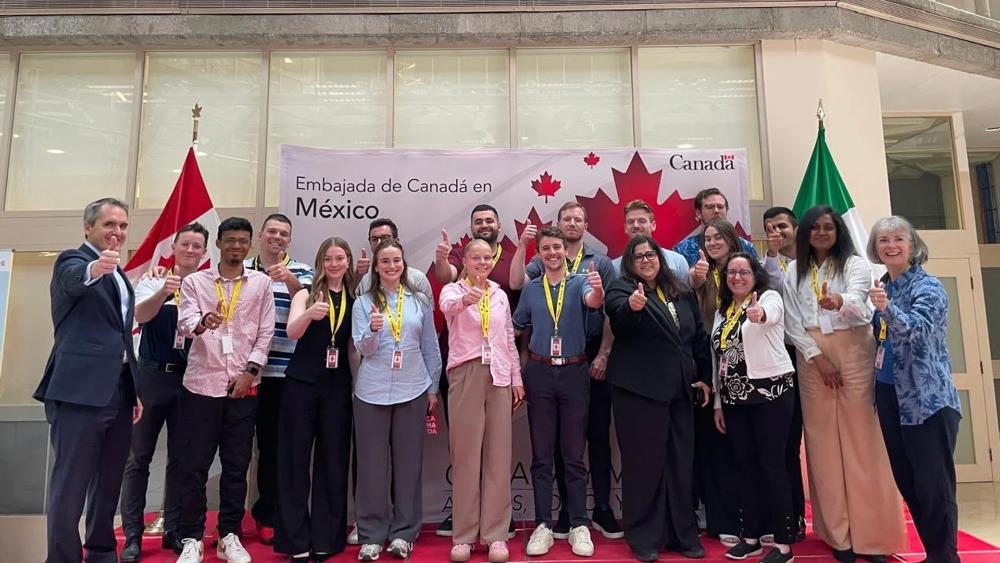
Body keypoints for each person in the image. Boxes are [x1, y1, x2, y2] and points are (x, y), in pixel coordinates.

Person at [783, 206, 906, 562]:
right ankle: (838, 535)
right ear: (804, 233)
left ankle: (873, 535)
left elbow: (862, 306)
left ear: (838, 231)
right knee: (822, 445)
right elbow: (792, 323)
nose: (821, 233)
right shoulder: (794, 270)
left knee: (864, 442)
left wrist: (839, 302)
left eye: (828, 227)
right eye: (815, 228)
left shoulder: (854, 264)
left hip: (854, 349)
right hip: (811, 357)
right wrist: (816, 357)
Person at [36, 197, 143, 563]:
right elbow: (72, 281)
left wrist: (135, 390)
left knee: (109, 481)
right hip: (79, 393)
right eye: (109, 224)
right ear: (88, 228)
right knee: (70, 487)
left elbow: (123, 335)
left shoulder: (121, 275)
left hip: (119, 391)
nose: (117, 232)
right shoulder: (74, 261)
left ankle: (100, 553)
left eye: (123, 226)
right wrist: (96, 268)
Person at [511, 202, 621, 541]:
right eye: (546, 248)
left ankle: (579, 524)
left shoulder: (581, 281)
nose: (553, 253)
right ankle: (544, 524)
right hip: (541, 374)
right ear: (540, 254)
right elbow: (514, 329)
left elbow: (593, 302)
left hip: (575, 373)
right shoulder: (531, 288)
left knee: (574, 455)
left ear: (565, 250)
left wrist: (599, 290)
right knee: (543, 455)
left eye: (557, 247)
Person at [604, 235, 711, 561]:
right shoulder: (622, 290)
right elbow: (620, 318)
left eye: (651, 255)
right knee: (644, 466)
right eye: (639, 257)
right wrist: (633, 309)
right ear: (630, 263)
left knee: (680, 465)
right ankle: (645, 537)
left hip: (680, 391)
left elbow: (698, 338)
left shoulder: (680, 290)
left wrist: (705, 378)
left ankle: (682, 534)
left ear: (660, 258)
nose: (647, 261)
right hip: (639, 392)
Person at [174, 217, 276, 563]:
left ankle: (229, 534)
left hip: (243, 388)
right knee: (194, 466)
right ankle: (192, 537)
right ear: (218, 242)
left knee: (236, 466)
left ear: (250, 245)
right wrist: (204, 323)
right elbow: (185, 323)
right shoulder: (196, 282)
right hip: (201, 387)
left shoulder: (261, 283)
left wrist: (250, 372)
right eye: (230, 240)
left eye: (242, 241)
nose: (236, 246)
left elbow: (266, 333)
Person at [867, 216, 962, 563]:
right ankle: (935, 553)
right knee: (908, 481)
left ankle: (946, 556)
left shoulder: (928, 287)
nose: (890, 246)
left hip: (927, 399)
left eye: (898, 239)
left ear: (913, 245)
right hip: (890, 395)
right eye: (883, 240)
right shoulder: (885, 286)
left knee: (934, 485)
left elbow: (916, 331)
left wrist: (885, 309)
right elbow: (881, 339)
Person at [119, 222, 210, 562]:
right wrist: (163, 291)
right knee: (138, 458)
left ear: (204, 252)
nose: (190, 250)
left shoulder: (206, 285)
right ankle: (132, 536)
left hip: (188, 379)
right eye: (184, 244)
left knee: (180, 459)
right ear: (174, 246)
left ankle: (172, 529)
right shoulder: (154, 279)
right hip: (151, 377)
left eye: (196, 246)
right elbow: (140, 316)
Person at [351, 239, 442, 562]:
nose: (391, 266)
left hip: (413, 389)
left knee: (408, 465)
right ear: (376, 267)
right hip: (371, 392)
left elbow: (431, 347)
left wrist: (432, 389)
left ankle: (404, 533)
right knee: (372, 467)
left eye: (397, 261)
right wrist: (373, 330)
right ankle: (372, 535)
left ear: (404, 265)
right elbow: (365, 350)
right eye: (385, 261)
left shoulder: (418, 301)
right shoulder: (362, 303)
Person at [433, 204, 519, 540]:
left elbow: (508, 339)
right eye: (475, 258)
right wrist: (467, 299)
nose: (482, 263)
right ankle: (465, 535)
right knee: (466, 457)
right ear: (464, 262)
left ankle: (496, 534)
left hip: (499, 376)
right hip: (465, 375)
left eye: (487, 259)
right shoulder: (454, 289)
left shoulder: (499, 295)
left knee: (499, 457)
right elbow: (449, 309)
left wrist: (517, 379)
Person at [275, 237, 358, 562]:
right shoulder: (305, 293)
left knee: (333, 462)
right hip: (301, 384)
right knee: (294, 461)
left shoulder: (355, 298)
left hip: (338, 388)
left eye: (340, 258)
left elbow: (354, 345)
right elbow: (292, 332)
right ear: (320, 262)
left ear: (348, 262)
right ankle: (295, 539)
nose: (335, 264)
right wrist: (309, 313)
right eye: (329, 258)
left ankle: (327, 537)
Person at [710, 253, 796, 563]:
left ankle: (784, 544)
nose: (737, 277)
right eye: (731, 272)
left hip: (770, 393)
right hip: (735, 399)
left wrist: (758, 314)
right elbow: (718, 361)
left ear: (754, 274)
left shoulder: (769, 296)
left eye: (743, 271)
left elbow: (770, 314)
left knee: (771, 466)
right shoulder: (724, 310)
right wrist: (719, 402)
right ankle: (751, 537)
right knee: (744, 467)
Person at [246, 214, 314, 545]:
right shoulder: (243, 269)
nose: (277, 237)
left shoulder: (302, 272)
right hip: (247, 374)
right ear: (261, 234)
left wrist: (290, 280)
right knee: (241, 448)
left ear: (289, 240)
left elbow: (312, 306)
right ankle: (237, 518)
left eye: (283, 233)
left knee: (277, 448)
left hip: (285, 374)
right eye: (271, 231)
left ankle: (272, 514)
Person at [688, 218, 742, 544]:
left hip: (743, 370)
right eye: (707, 238)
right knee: (712, 445)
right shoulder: (700, 276)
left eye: (718, 236)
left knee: (740, 446)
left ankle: (746, 512)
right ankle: (717, 516)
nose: (713, 242)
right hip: (708, 367)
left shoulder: (743, 271)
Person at [761, 206, 806, 540]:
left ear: (796, 227)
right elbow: (773, 292)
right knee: (783, 446)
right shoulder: (769, 265)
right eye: (769, 229)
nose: (775, 232)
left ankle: (801, 516)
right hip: (785, 358)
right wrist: (773, 255)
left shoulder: (814, 264)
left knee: (800, 447)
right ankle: (789, 516)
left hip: (817, 357)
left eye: (781, 227)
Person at [673, 187, 758, 271]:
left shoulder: (746, 247)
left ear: (726, 211)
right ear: (699, 213)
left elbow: (758, 278)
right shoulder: (683, 250)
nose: (716, 211)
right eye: (710, 207)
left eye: (720, 207)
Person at [610, 199, 689, 283]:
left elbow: (686, 294)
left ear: (653, 225)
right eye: (631, 222)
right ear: (626, 228)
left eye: (642, 221)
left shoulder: (677, 261)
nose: (636, 225)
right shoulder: (614, 267)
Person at [356, 218, 433, 302]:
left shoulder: (417, 278)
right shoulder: (363, 278)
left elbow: (428, 312)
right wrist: (357, 276)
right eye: (374, 239)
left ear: (396, 241)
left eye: (385, 238)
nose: (379, 243)